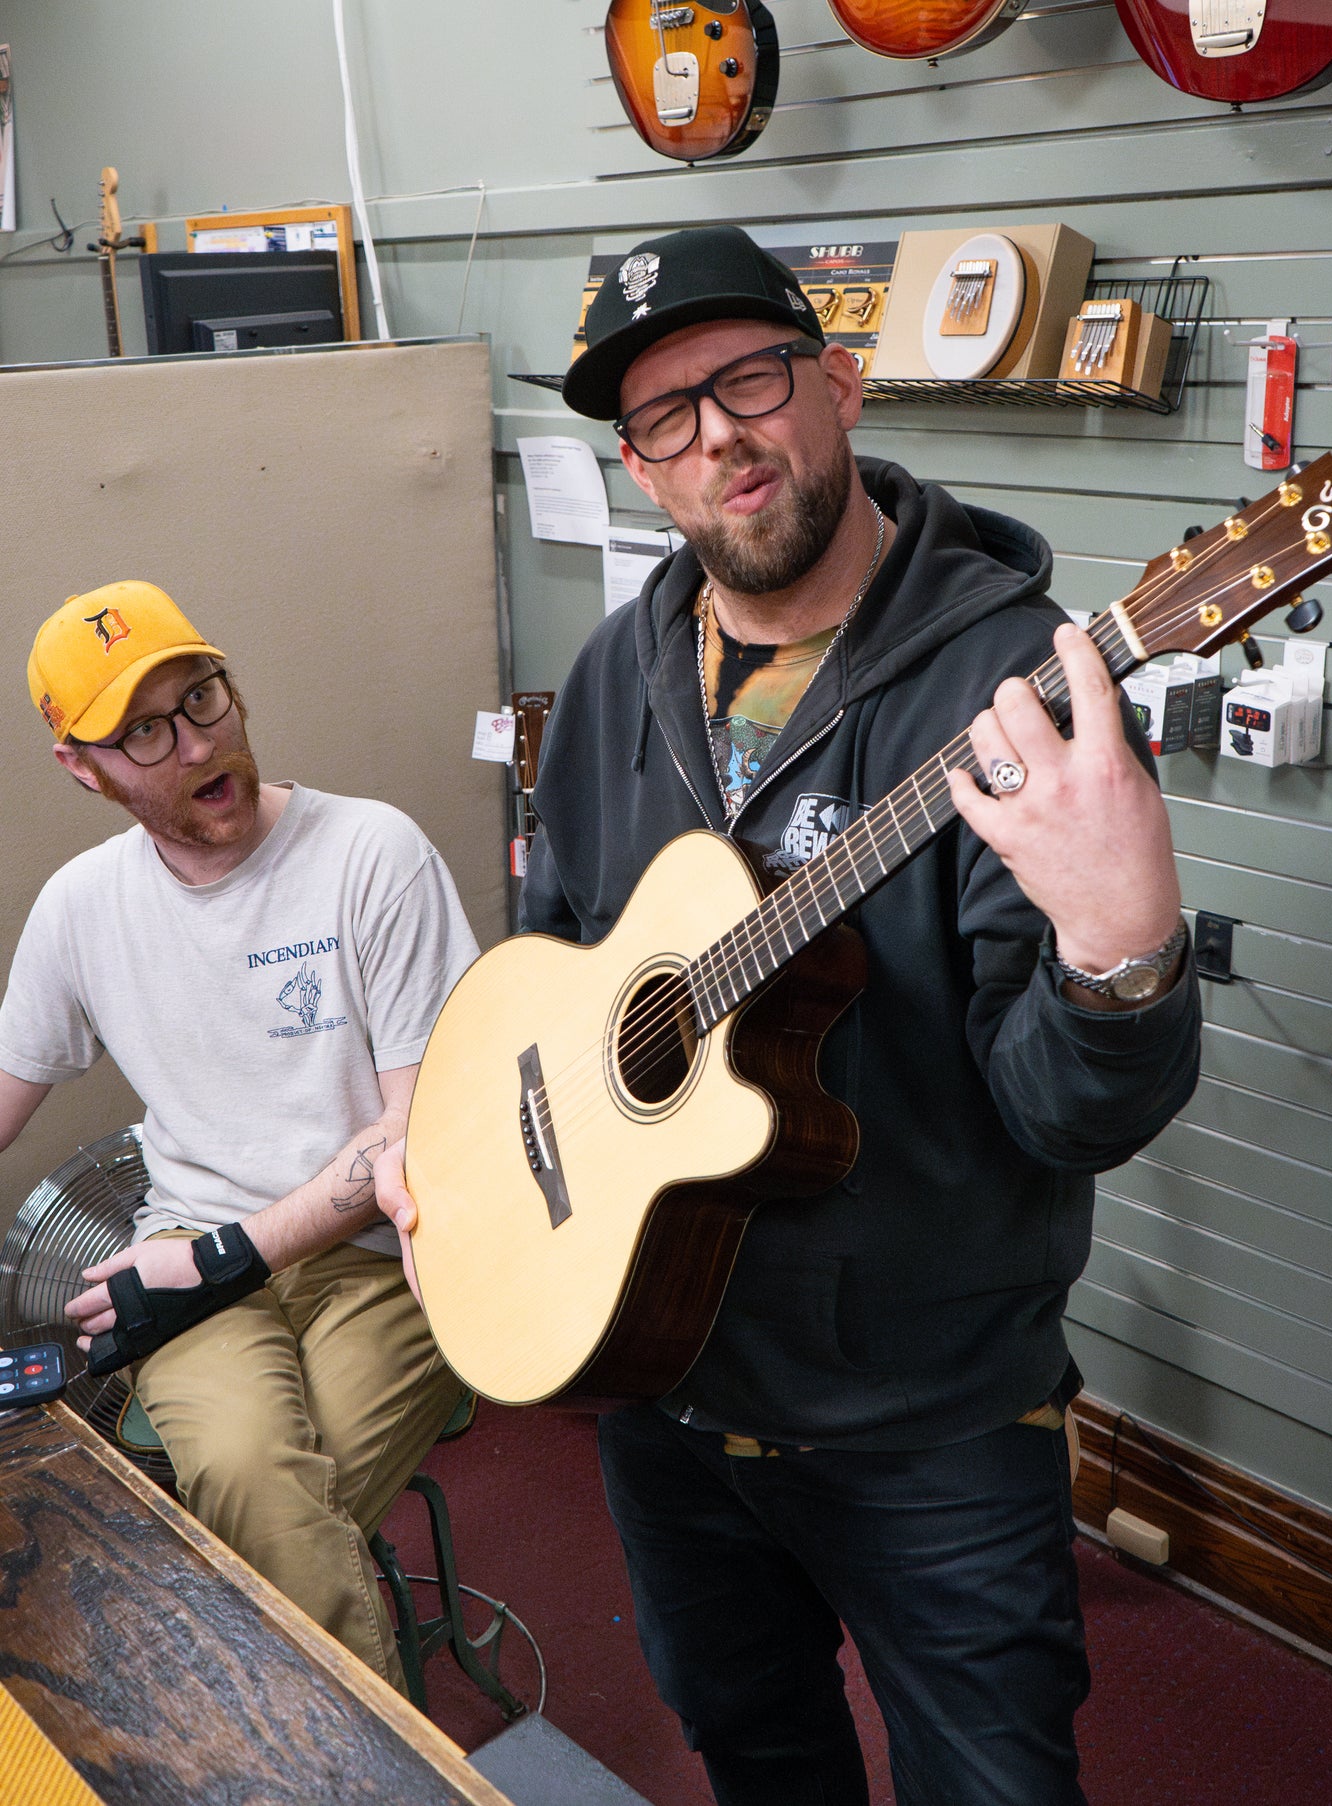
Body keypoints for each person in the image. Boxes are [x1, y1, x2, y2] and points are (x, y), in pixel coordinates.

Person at [382, 225, 1203, 1802]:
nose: (719, 439)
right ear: (638, 470)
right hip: (660, 1378)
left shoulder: (1014, 692)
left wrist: (1119, 944)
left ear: (834, 386)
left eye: (746, 379)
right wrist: (462, 1139)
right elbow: (556, 951)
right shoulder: (621, 670)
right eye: (665, 419)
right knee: (753, 1749)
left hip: (928, 1418)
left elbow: (1070, 1113)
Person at [0, 580, 478, 1690]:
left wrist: (213, 1257)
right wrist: (206, 1261)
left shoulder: (372, 855)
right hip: (192, 1271)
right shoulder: (81, 908)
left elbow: (417, 1136)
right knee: (266, 1494)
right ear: (84, 766)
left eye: (203, 697)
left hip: (383, 1263)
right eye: (145, 732)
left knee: (254, 1519)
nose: (196, 744)